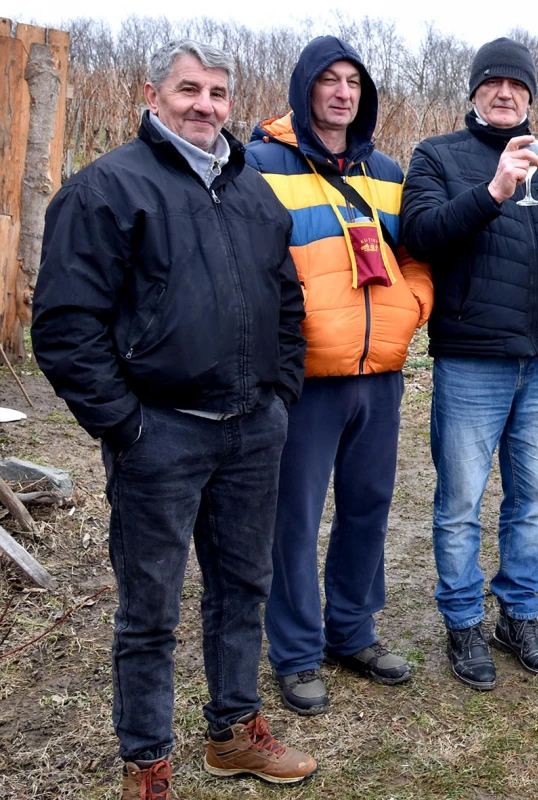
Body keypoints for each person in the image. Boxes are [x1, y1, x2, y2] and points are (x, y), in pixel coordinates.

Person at [31, 39, 316, 798]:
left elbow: (287, 303)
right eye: (189, 89)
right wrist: (125, 427)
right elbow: (64, 327)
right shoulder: (107, 190)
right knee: (149, 611)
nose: (205, 105)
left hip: (252, 430)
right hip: (161, 434)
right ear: (151, 94)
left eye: (219, 93)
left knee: (242, 588)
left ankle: (233, 732)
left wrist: (280, 395)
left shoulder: (255, 192)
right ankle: (148, 764)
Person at [400, 37, 538, 690]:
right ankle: (462, 621)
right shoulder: (437, 156)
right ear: (474, 92)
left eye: (516, 86)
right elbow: (421, 235)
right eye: (492, 83)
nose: (504, 93)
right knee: (461, 499)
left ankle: (518, 615)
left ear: (530, 98)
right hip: (470, 362)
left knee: (532, 499)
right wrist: (492, 189)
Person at [244, 36, 434, 716]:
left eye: (353, 81)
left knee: (367, 507)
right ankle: (295, 653)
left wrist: (411, 309)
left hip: (379, 376)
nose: (342, 92)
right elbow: (248, 267)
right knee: (293, 518)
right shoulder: (259, 164)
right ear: (304, 88)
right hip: (304, 380)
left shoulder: (386, 171)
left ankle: (352, 631)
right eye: (328, 80)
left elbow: (413, 255)